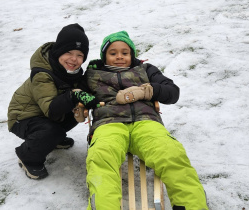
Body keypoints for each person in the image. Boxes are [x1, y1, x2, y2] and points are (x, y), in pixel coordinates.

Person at [82, 31, 209, 209]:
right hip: (109, 123)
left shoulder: (145, 69)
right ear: (104, 56)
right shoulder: (93, 74)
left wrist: (147, 90)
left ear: (132, 54)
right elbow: (72, 92)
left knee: (171, 154)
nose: (119, 57)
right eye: (113, 53)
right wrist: (78, 100)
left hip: (146, 122)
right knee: (101, 158)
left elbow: (172, 92)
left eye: (125, 53)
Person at [7, 23, 99, 180]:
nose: (74, 59)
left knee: (76, 113)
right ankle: (27, 156)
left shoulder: (70, 70)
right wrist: (73, 95)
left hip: (43, 114)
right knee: (52, 130)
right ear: (58, 52)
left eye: (80, 55)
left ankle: (52, 139)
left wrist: (94, 72)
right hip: (22, 117)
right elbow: (51, 109)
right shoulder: (42, 74)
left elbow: (78, 89)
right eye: (68, 52)